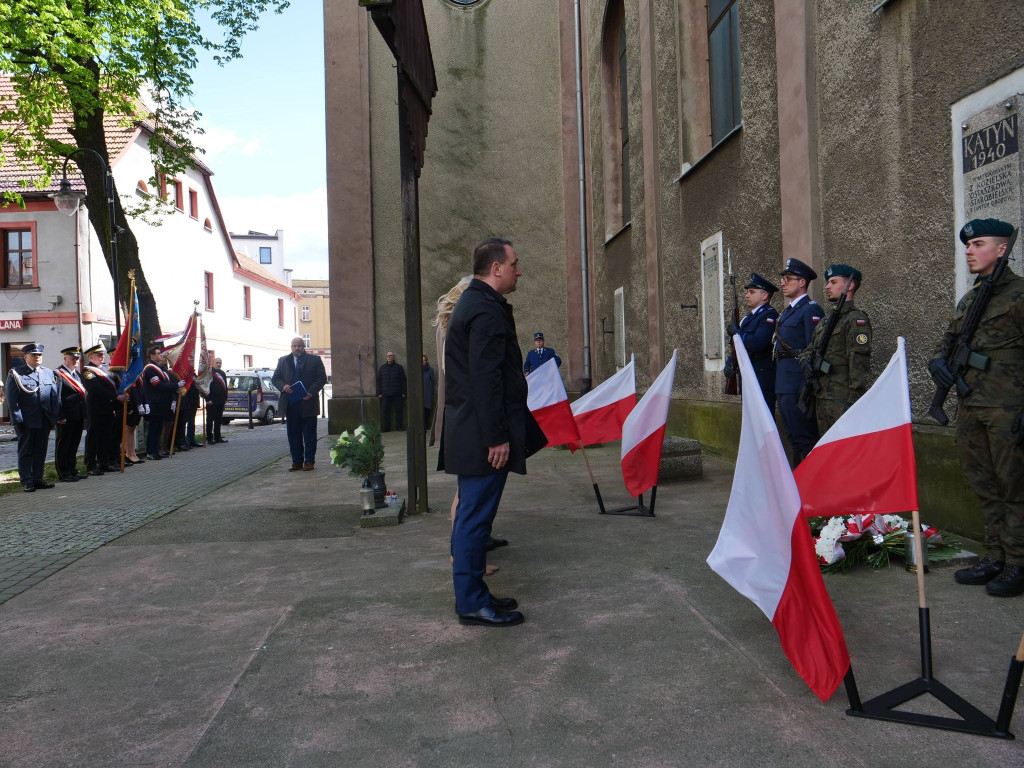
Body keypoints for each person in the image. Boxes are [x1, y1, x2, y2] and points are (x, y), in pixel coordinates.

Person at [441, 237, 545, 627]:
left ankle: (476, 595)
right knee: (474, 520)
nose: (520, 271)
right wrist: (497, 437)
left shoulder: (479, 303)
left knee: (475, 518)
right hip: (482, 436)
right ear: (496, 268)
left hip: (476, 432)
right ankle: (470, 602)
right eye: (515, 264)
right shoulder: (483, 309)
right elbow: (485, 380)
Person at [930, 218, 1024, 597]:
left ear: (1002, 249)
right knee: (983, 483)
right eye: (967, 245)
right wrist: (938, 361)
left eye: (978, 244)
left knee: (1014, 485)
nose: (969, 250)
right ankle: (995, 555)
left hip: (1008, 408)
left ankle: (1018, 562)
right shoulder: (970, 298)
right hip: (971, 407)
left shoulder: (1019, 295)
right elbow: (949, 341)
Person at [431, 276, 501, 577]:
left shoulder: (451, 325)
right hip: (465, 415)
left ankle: (468, 549)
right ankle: (461, 555)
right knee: (467, 495)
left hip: (458, 412)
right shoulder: (461, 327)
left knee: (467, 493)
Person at [798, 264, 872, 435]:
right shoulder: (826, 321)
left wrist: (854, 402)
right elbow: (810, 349)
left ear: (850, 285)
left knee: (845, 452)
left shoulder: (856, 320)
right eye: (827, 282)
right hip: (821, 396)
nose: (827, 287)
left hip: (842, 399)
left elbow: (859, 364)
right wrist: (805, 362)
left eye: (833, 282)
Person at [773, 257, 823, 466]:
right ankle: (797, 486)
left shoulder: (810, 309)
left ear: (802, 282)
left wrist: (806, 383)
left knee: (804, 437)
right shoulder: (788, 311)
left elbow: (815, 348)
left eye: (788, 279)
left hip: (797, 383)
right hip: (783, 380)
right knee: (792, 437)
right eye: (783, 279)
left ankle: (810, 486)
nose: (783, 283)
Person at [5, 343, 64, 492]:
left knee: (40, 450)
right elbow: (13, 400)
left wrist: (54, 417)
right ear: (25, 357)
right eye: (33, 355)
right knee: (26, 451)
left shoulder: (48, 373)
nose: (37, 357)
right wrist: (18, 420)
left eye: (39, 355)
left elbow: (53, 397)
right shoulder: (16, 373)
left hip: (44, 420)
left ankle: (38, 478)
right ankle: (27, 481)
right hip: (26, 421)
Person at [724, 273, 780, 412]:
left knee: (763, 418)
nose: (747, 295)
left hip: (761, 377)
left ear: (764, 295)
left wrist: (737, 333)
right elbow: (737, 346)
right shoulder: (748, 318)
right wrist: (729, 363)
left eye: (752, 292)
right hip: (748, 376)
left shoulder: (769, 315)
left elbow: (758, 342)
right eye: (747, 292)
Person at [272, 336, 328, 471]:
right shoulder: (283, 360)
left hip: (308, 403)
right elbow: (275, 378)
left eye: (300, 346)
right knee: (293, 434)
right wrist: (283, 386)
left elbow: (321, 378)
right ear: (291, 347)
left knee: (309, 434)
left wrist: (311, 392)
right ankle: (296, 461)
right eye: (294, 346)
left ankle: (309, 461)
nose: (297, 348)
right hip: (291, 404)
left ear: (304, 347)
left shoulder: (314, 360)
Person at [82, 344, 125, 474]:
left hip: (108, 408)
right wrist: (116, 396)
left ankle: (104, 463)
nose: (102, 357)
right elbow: (97, 389)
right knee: (93, 437)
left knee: (106, 437)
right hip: (95, 408)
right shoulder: (87, 371)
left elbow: (116, 384)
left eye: (102, 354)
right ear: (91, 357)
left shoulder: (107, 369)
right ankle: (91, 465)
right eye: (99, 355)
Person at [54, 346, 89, 482]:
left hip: (78, 415)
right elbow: (56, 397)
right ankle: (64, 472)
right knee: (64, 444)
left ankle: (72, 469)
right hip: (66, 416)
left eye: (77, 358)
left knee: (74, 444)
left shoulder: (77, 375)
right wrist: (59, 415)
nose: (75, 361)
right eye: (72, 358)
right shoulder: (58, 374)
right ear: (65, 358)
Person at [142, 344, 181, 460]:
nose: (160, 355)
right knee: (153, 428)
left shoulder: (161, 370)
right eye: (158, 353)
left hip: (161, 403)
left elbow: (166, 385)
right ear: (152, 356)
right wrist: (176, 385)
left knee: (158, 428)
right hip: (154, 403)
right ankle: (150, 452)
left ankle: (156, 450)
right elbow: (158, 385)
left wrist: (176, 388)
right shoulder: (150, 369)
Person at [376, 350, 407, 431]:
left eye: (391, 355)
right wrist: (379, 393)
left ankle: (399, 427)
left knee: (399, 411)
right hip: (385, 394)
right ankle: (386, 428)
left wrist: (404, 392)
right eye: (388, 356)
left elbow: (404, 380)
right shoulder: (382, 368)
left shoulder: (399, 367)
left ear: (394, 357)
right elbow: (378, 381)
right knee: (385, 411)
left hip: (398, 393)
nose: (389, 357)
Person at [206, 358, 228, 444]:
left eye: (220, 363)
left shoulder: (222, 373)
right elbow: (205, 387)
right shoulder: (209, 373)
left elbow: (225, 387)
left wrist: (225, 398)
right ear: (213, 363)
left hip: (220, 400)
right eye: (217, 363)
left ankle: (217, 437)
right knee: (210, 420)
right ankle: (209, 438)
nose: (219, 364)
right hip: (211, 400)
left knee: (218, 420)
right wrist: (207, 399)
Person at [422, 354, 436, 431]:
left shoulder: (430, 370)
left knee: (427, 409)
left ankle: (426, 425)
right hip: (420, 394)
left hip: (427, 393)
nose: (422, 361)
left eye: (424, 360)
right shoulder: (418, 369)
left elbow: (433, 381)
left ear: (426, 361)